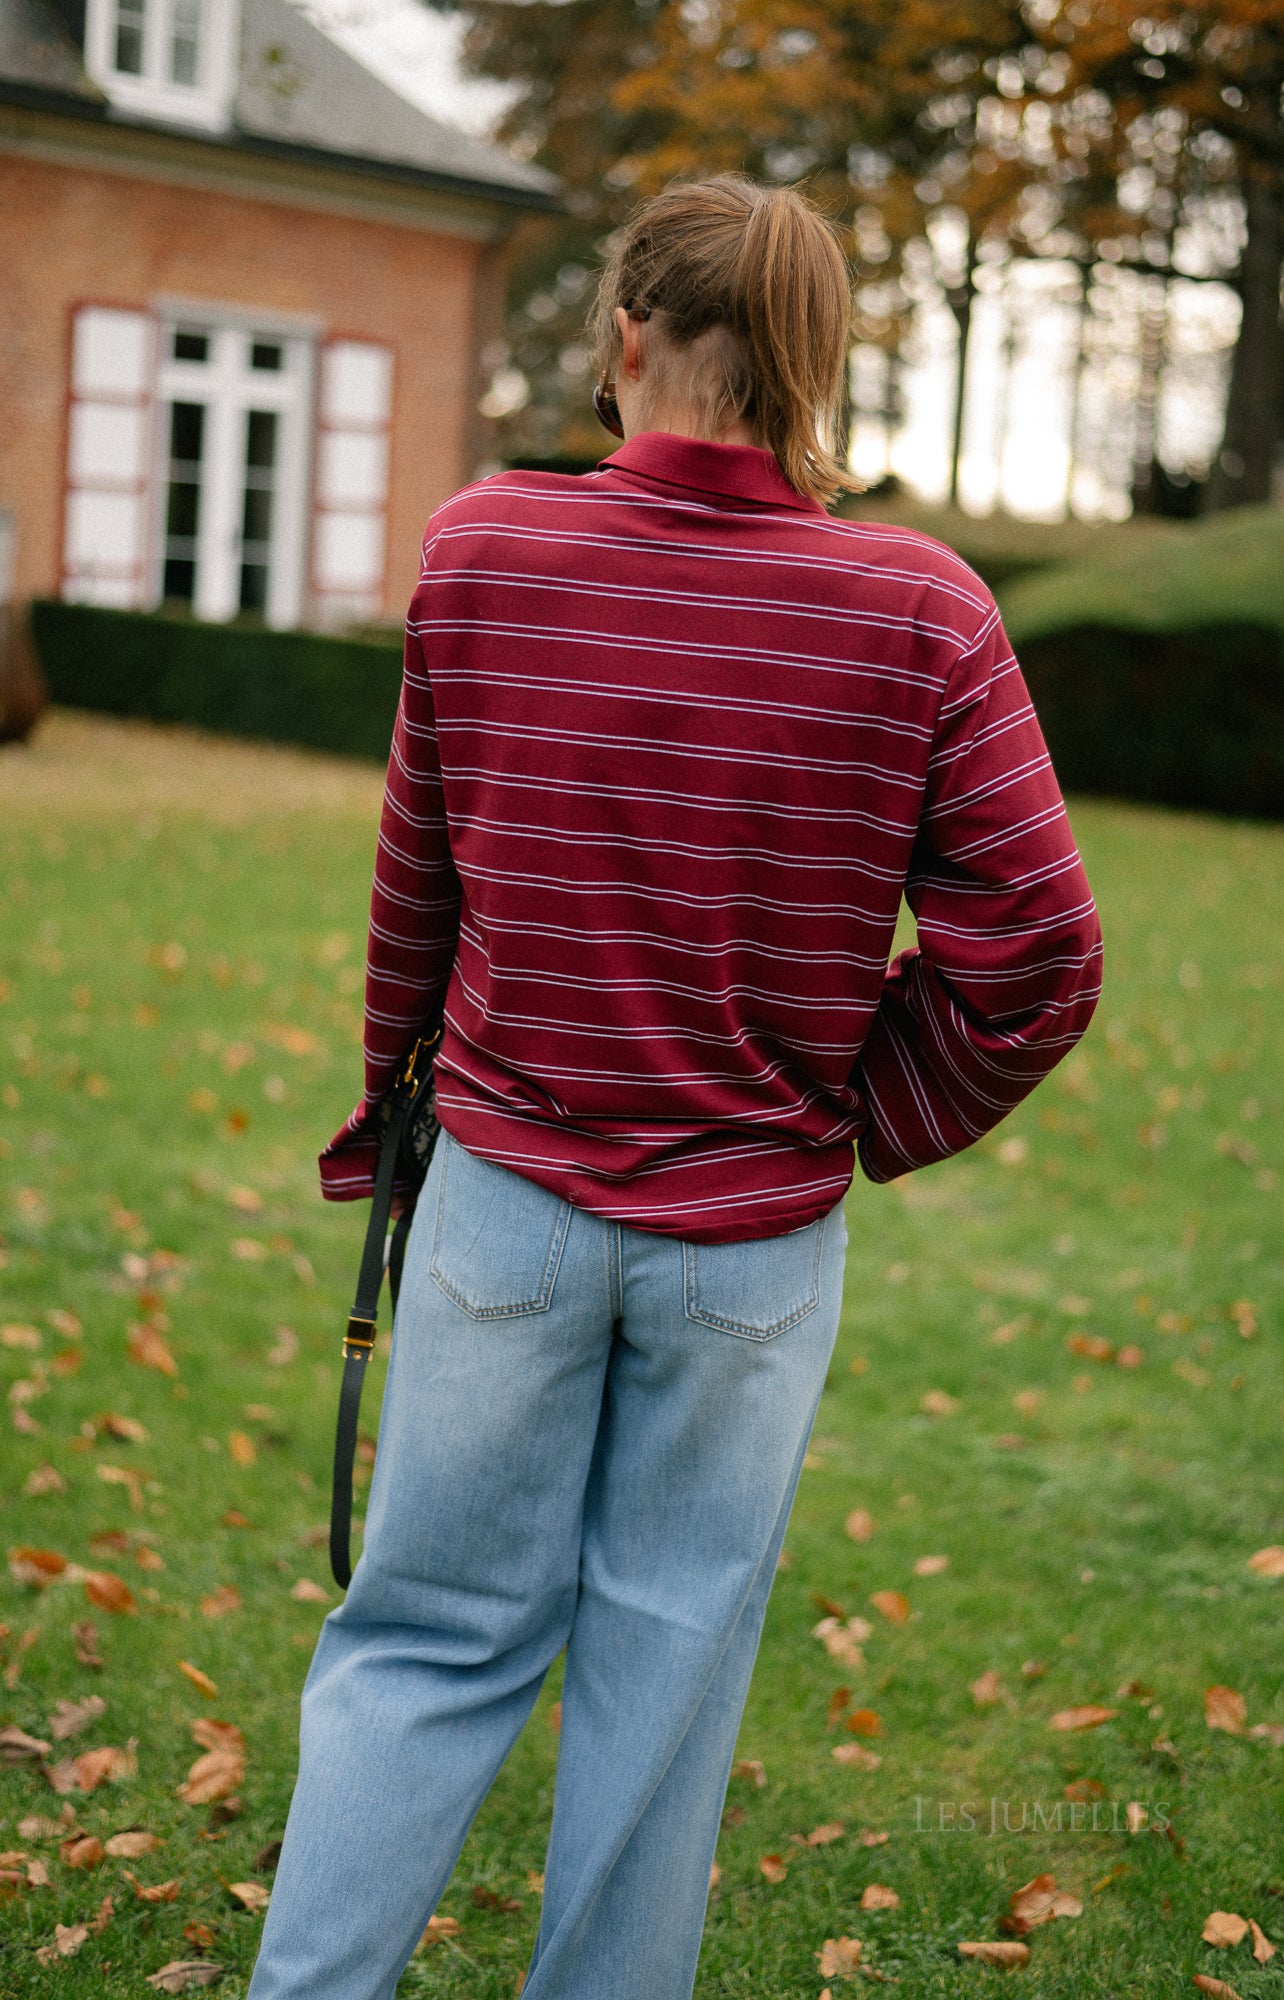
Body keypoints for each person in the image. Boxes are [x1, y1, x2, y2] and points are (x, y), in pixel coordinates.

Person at [247, 174, 1102, 2000]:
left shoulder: (483, 547)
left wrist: (386, 1106)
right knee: (662, 1675)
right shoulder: (924, 614)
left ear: (624, 340)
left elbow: (420, 879)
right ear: (810, 369)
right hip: (754, 1246)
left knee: (421, 1645)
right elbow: (1038, 948)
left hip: (502, 1201)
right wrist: (866, 1110)